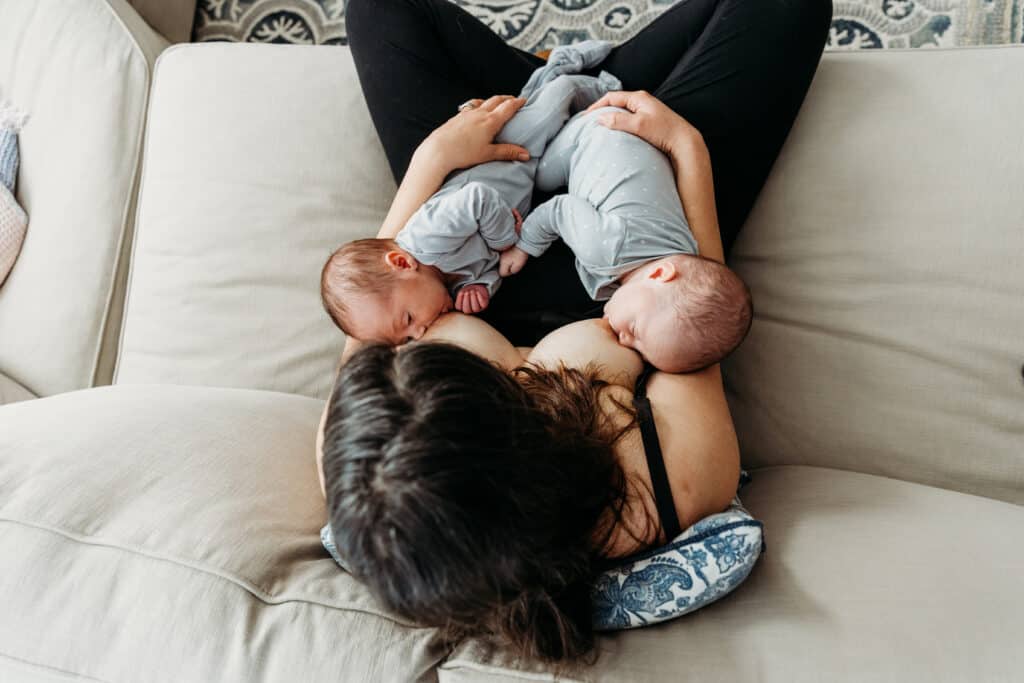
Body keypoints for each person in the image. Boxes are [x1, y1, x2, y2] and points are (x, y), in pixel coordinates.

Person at [320, 0, 833, 663]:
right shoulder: (659, 488)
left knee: (378, 10)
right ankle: (583, 94)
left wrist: (433, 159)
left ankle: (553, 92)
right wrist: (686, 147)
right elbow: (694, 321)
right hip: (626, 266)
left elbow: (373, 303)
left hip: (466, 250)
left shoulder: (366, 477)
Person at [320, 47, 620, 341]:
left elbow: (477, 198)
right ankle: (550, 74)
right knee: (572, 130)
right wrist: (479, 288)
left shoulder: (426, 236)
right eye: (408, 339)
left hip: (507, 154)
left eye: (409, 320)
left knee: (553, 105)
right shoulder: (443, 284)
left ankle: (597, 81)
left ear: (401, 263)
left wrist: (503, 241)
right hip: (532, 181)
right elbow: (488, 267)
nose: (419, 332)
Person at [498, 101, 753, 372]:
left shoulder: (684, 250)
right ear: (660, 275)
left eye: (638, 351)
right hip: (595, 130)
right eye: (634, 329)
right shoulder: (607, 250)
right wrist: (525, 245)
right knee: (537, 176)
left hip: (634, 135)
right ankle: (567, 97)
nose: (624, 339)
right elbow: (559, 210)